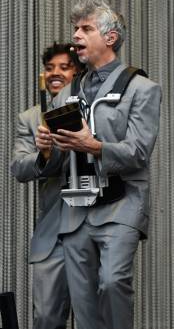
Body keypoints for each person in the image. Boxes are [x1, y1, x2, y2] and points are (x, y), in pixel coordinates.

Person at [33, 0, 162, 329]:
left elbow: (138, 153)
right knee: (84, 303)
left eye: (86, 28)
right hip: (75, 213)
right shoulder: (64, 96)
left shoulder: (142, 89)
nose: (76, 35)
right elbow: (58, 160)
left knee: (112, 281)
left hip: (121, 205)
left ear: (110, 38)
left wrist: (95, 146)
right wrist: (47, 149)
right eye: (75, 29)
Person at [10, 42, 83, 329]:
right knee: (46, 317)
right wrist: (43, 154)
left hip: (96, 223)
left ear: (78, 73)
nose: (55, 73)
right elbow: (18, 167)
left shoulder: (95, 108)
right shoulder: (30, 118)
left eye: (64, 68)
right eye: (50, 68)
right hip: (53, 231)